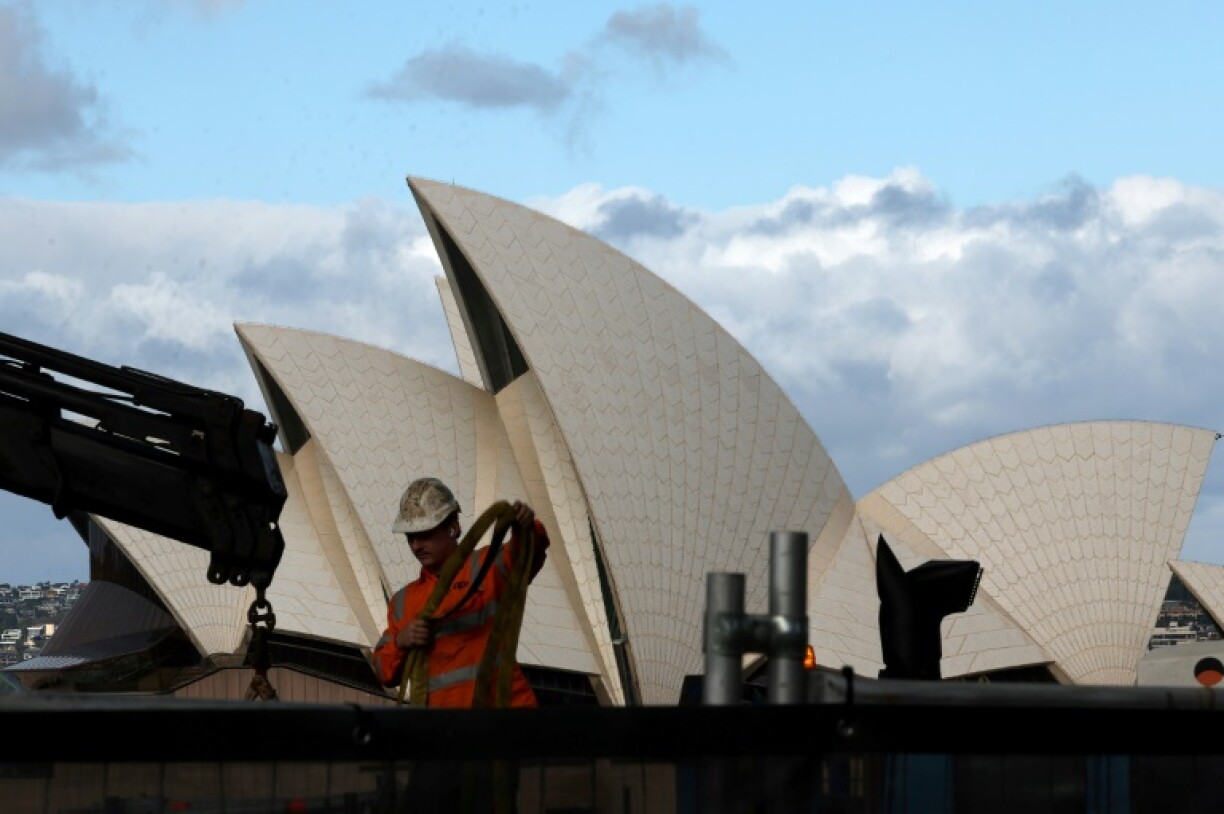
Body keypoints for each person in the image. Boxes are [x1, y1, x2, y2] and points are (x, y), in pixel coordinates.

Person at [372, 476, 550, 708]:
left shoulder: (488, 567)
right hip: (446, 728)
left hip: (502, 716)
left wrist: (526, 527)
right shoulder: (402, 602)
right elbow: (382, 670)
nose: (416, 545)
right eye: (410, 537)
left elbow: (528, 552)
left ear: (453, 527)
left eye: (424, 533)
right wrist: (401, 642)